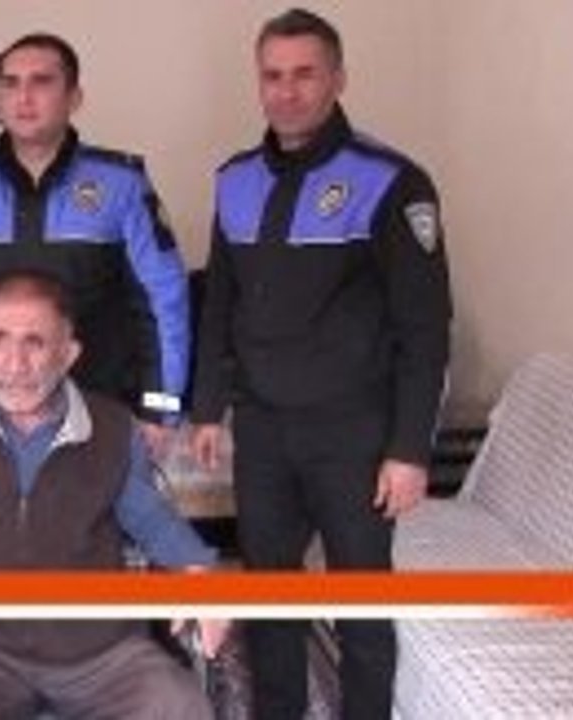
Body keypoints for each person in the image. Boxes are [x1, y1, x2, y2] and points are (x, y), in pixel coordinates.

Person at [191, 9, 452, 719]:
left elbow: (426, 328)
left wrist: (409, 450)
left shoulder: (392, 181)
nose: (287, 91)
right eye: (272, 75)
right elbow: (220, 304)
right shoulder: (235, 180)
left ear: (339, 78)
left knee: (360, 601)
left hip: (353, 433)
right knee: (271, 594)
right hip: (264, 430)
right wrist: (208, 406)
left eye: (305, 74)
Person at [0, 271, 228, 720]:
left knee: (177, 703)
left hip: (103, 650)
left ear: (68, 353)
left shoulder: (113, 427)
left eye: (35, 343)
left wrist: (199, 570)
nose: (14, 364)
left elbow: (154, 522)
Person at [0, 33, 190, 452]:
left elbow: (163, 299)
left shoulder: (121, 184)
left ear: (74, 97)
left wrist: (160, 407)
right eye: (11, 83)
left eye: (41, 81)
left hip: (99, 411)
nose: (23, 97)